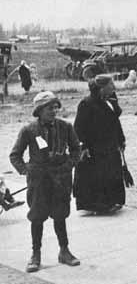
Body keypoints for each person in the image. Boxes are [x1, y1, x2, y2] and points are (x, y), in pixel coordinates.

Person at [9, 91, 81, 272]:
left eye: (56, 107)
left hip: (60, 179)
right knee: (37, 217)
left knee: (60, 215)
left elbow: (75, 150)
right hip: (39, 181)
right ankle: (36, 254)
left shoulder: (65, 127)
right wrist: (26, 170)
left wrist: (68, 166)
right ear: (39, 110)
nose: (54, 110)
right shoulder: (29, 130)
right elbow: (15, 155)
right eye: (50, 107)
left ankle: (64, 251)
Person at [73, 75, 127, 213]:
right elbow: (79, 128)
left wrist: (121, 140)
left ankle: (112, 201)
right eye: (111, 84)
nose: (114, 87)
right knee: (96, 175)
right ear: (102, 87)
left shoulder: (110, 102)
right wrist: (83, 147)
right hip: (94, 148)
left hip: (110, 146)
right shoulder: (86, 104)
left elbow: (115, 122)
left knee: (111, 172)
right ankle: (97, 205)